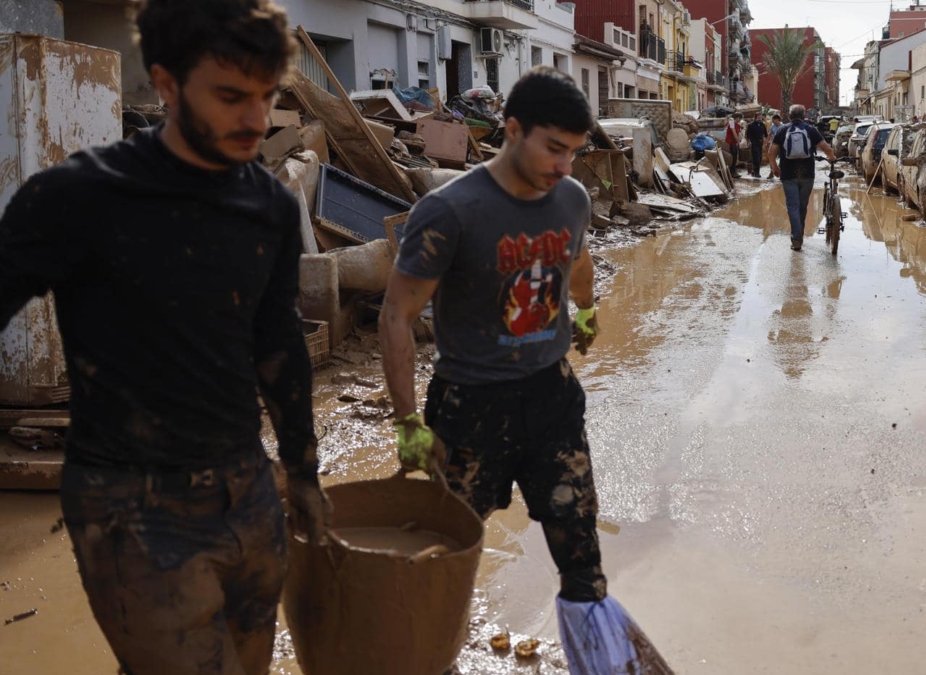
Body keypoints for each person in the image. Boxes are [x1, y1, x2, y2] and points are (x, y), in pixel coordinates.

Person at [0, 1, 329, 673]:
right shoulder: (76, 200)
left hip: (248, 489)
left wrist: (302, 470)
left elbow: (278, 347)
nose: (257, 120)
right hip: (131, 509)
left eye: (267, 96)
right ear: (168, 82)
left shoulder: (265, 205)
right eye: (232, 96)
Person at [379, 66, 670, 672]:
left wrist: (586, 312)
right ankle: (432, 659)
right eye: (554, 148)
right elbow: (397, 315)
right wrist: (407, 419)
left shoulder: (572, 198)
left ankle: (599, 657)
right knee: (444, 556)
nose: (565, 165)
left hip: (550, 401)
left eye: (575, 151)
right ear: (511, 130)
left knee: (581, 556)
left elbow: (580, 258)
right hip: (468, 409)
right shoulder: (450, 211)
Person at [769, 103, 837, 251]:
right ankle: (799, 232)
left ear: (789, 116)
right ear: (804, 116)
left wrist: (775, 167)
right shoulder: (811, 130)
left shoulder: (782, 130)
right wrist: (832, 157)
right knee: (802, 205)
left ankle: (796, 239)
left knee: (792, 206)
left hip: (788, 174)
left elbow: (771, 153)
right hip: (807, 174)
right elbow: (826, 148)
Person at [745, 112, 768, 179]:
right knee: (756, 158)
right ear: (755, 118)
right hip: (754, 143)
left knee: (760, 158)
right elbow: (748, 135)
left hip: (760, 144)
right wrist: (748, 142)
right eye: (758, 118)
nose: (759, 119)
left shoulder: (762, 125)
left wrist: (767, 142)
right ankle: (756, 173)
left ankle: (753, 171)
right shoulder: (751, 125)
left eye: (761, 118)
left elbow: (766, 134)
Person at [725, 111, 744, 178]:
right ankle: (732, 172)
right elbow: (734, 133)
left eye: (740, 118)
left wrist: (739, 141)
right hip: (730, 142)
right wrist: (738, 141)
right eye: (739, 118)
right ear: (736, 118)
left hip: (734, 143)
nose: (739, 120)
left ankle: (734, 172)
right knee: (733, 157)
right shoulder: (732, 123)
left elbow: (738, 134)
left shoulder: (738, 125)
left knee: (735, 157)